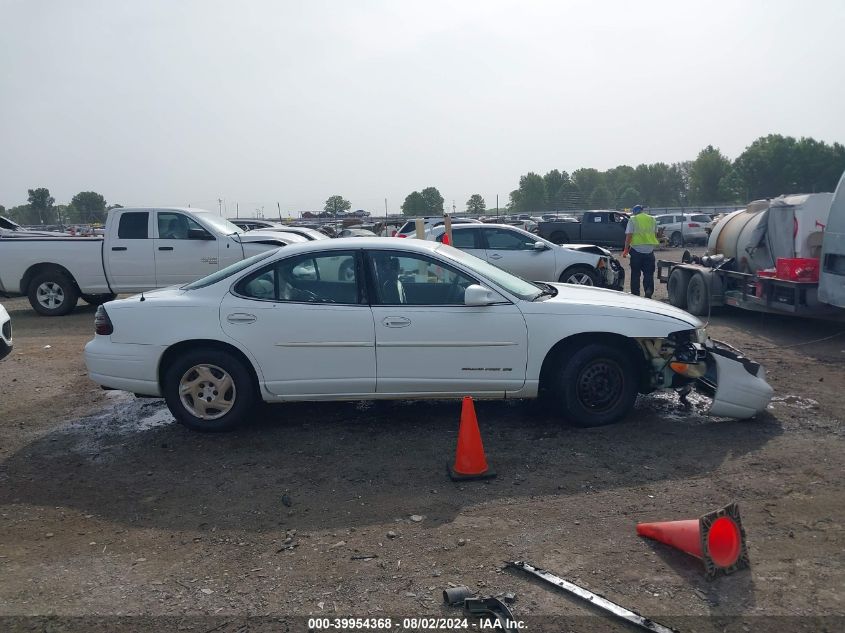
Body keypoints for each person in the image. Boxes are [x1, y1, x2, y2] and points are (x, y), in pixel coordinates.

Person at [622, 204, 659, 298]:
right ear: (642, 211)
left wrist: (626, 250)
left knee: (635, 273)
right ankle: (648, 290)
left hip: (636, 250)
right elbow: (655, 233)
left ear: (634, 212)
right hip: (649, 251)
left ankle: (635, 294)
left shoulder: (633, 219)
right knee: (649, 273)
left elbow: (629, 236)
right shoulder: (652, 219)